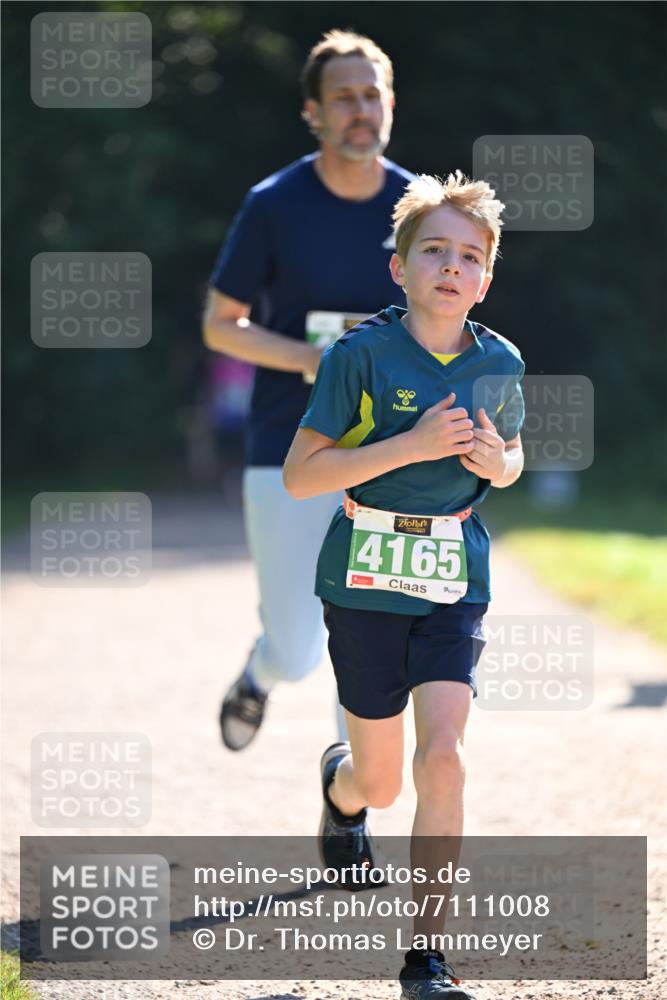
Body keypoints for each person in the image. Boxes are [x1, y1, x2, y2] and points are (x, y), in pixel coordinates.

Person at [283, 172, 525, 999]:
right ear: (399, 266)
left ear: (484, 279)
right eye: (434, 251)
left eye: (470, 257)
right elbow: (301, 476)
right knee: (381, 783)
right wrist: (411, 446)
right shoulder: (358, 355)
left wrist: (500, 464)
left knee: (444, 759)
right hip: (362, 581)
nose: (451, 267)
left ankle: (426, 958)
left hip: (453, 577)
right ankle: (342, 788)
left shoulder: (499, 361)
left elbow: (511, 453)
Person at [203, 30, 414, 750]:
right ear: (313, 114)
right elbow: (220, 324)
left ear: (389, 104)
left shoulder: (419, 207)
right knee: (297, 651)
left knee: (368, 642)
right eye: (343, 98)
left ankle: (348, 799)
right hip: (289, 442)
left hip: (391, 451)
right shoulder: (274, 204)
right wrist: (314, 359)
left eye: (371, 95)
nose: (360, 110)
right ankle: (260, 672)